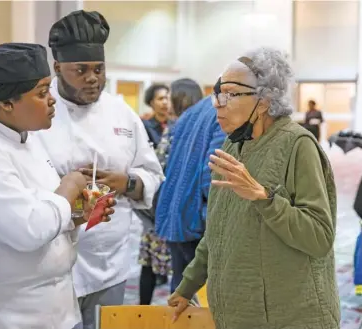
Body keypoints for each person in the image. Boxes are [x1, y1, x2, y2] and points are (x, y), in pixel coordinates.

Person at [0, 43, 116, 329]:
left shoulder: (25, 138)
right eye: (42, 92)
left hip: (57, 306)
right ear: (8, 102)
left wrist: (78, 213)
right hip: (10, 314)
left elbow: (46, 210)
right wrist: (70, 186)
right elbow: (29, 229)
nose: (52, 100)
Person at [169, 48, 339, 329]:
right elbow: (217, 231)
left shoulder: (298, 145)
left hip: (291, 317)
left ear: (264, 100)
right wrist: (188, 286)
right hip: (239, 315)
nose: (217, 104)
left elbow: (319, 237)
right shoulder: (233, 145)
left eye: (230, 94)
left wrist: (264, 198)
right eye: (217, 93)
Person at [38, 10, 164, 329]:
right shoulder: (37, 110)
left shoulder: (121, 114)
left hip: (111, 260)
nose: (92, 78)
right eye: (80, 70)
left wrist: (128, 182)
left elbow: (151, 174)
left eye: (98, 69)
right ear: (57, 68)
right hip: (51, 262)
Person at [137, 78, 204, 305]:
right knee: (183, 276)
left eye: (168, 97)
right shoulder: (171, 128)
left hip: (171, 212)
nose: (166, 103)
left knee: (182, 277)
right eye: (160, 98)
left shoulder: (177, 128)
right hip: (177, 214)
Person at [155, 83, 224, 295]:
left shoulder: (190, 114)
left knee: (181, 294)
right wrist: (212, 219)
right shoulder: (224, 113)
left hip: (176, 218)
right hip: (196, 224)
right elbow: (212, 177)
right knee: (206, 300)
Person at [142, 84, 170, 148]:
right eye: (160, 99)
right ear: (152, 103)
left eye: (167, 98)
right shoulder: (145, 126)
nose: (165, 102)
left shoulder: (175, 125)